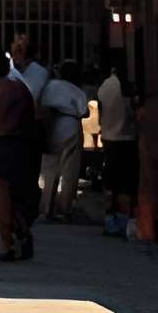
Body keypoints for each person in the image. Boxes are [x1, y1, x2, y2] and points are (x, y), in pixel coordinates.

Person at [0, 50, 37, 261]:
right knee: (18, 196)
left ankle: (8, 244)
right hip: (22, 145)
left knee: (3, 199)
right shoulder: (21, 88)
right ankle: (23, 234)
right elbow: (32, 115)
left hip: (1, 144)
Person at [37, 59, 88, 220]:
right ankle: (64, 209)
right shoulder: (78, 91)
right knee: (69, 170)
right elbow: (84, 112)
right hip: (71, 124)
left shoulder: (50, 85)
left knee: (50, 169)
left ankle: (46, 208)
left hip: (52, 124)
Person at [96, 55, 140, 235]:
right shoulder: (129, 86)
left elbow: (100, 110)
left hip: (108, 137)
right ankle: (124, 222)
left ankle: (109, 220)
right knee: (127, 182)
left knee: (110, 181)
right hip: (128, 139)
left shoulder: (104, 86)